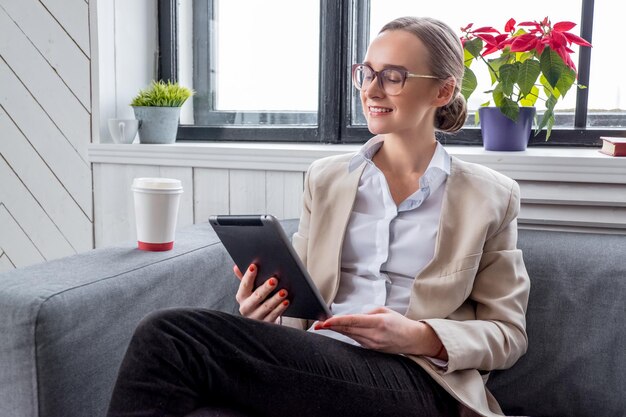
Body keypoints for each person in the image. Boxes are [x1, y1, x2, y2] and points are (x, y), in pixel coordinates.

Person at [107, 16, 530, 417]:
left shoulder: (489, 196)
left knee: (168, 338)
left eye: (394, 76)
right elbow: (301, 307)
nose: (372, 89)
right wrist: (264, 311)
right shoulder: (326, 179)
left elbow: (508, 334)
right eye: (367, 73)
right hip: (318, 362)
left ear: (442, 91)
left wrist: (418, 336)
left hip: (416, 378)